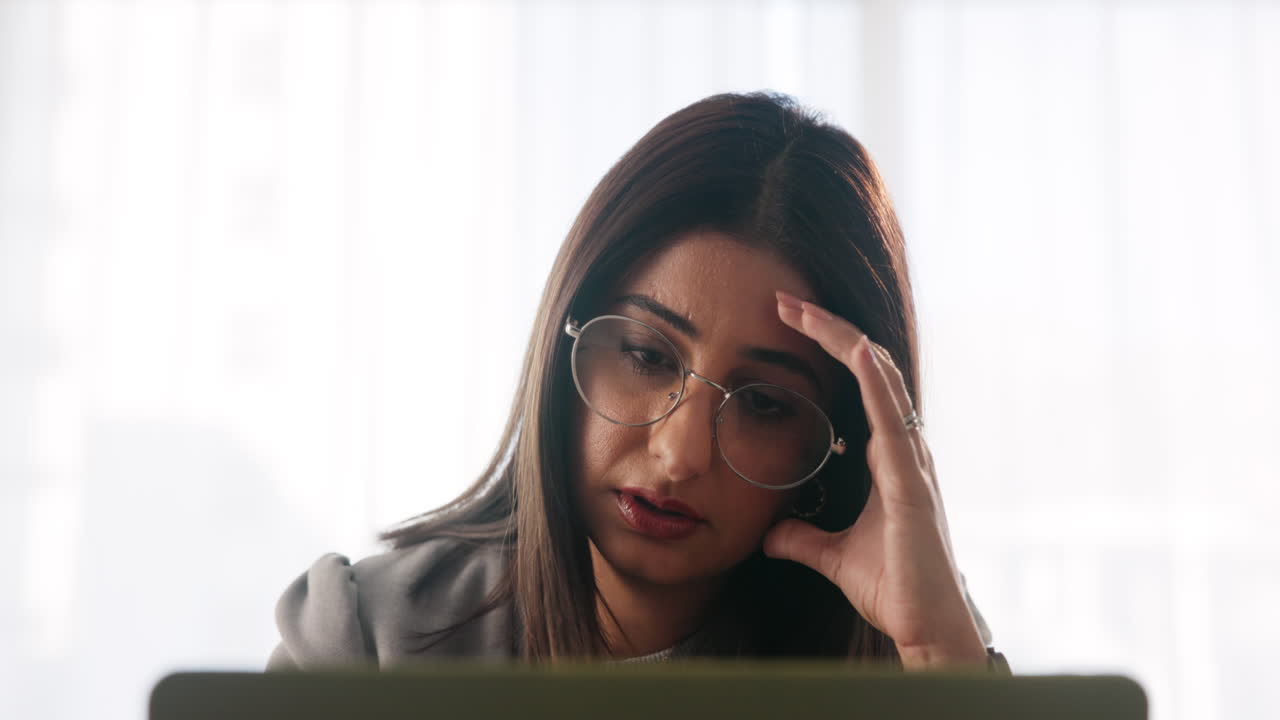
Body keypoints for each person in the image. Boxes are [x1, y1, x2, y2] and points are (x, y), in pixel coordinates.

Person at [267, 91, 1008, 671]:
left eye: (763, 404)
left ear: (834, 450)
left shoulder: (918, 654)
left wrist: (940, 657)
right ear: (564, 346)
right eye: (648, 357)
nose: (680, 454)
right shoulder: (367, 640)